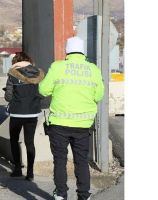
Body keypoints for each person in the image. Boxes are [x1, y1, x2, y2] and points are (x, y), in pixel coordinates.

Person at [38, 36, 104, 200]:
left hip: (59, 124)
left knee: (60, 160)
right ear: (83, 52)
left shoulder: (57, 67)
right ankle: (83, 195)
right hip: (82, 124)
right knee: (81, 161)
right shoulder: (93, 69)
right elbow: (99, 95)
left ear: (67, 51)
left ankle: (60, 194)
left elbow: (43, 90)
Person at [4, 52, 44, 181]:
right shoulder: (38, 73)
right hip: (32, 112)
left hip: (17, 112)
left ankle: (17, 169)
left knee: (14, 140)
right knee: (29, 142)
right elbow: (42, 93)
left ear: (15, 61)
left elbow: (8, 97)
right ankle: (30, 173)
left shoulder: (13, 74)